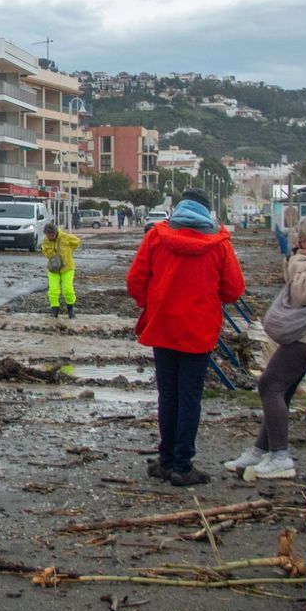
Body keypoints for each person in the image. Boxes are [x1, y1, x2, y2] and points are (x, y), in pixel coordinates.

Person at [127, 186, 246, 487]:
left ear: (179, 209)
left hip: (163, 326)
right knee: (190, 395)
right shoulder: (219, 243)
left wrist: (151, 303)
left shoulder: (156, 236)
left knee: (168, 394)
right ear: (207, 211)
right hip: (198, 329)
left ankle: (167, 460)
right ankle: (182, 464)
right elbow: (233, 290)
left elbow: (135, 280)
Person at [225, 215, 306, 480]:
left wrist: (297, 259)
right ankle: (262, 450)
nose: (300, 245)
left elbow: (301, 291)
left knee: (270, 384)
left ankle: (279, 456)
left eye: (303, 240)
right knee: (279, 389)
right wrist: (301, 258)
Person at [40, 220, 81, 318]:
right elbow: (44, 250)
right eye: (47, 235)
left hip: (67, 268)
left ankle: (70, 310)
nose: (49, 237)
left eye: (51, 235)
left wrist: (69, 252)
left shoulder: (65, 237)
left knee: (67, 290)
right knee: (53, 290)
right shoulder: (45, 241)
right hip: (53, 269)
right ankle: (54, 311)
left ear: (55, 233)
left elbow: (77, 241)